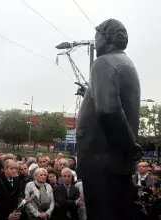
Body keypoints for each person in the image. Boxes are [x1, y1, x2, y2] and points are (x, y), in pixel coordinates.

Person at [76, 18, 142, 220]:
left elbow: (108, 111)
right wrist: (89, 93)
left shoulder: (103, 62)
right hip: (114, 163)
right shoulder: (125, 63)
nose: (95, 43)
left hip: (100, 163)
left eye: (96, 38)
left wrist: (131, 146)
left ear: (106, 38)